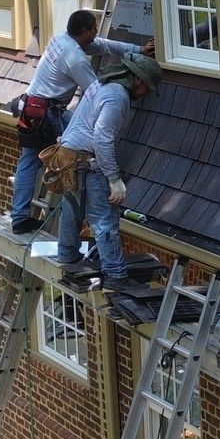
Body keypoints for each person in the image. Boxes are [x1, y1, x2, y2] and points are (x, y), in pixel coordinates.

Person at [8, 10, 154, 234]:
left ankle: (19, 217)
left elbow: (102, 45)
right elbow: (97, 94)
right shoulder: (75, 59)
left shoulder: (61, 39)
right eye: (93, 29)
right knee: (79, 151)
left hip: (30, 106)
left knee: (28, 163)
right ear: (83, 31)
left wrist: (137, 50)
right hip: (48, 112)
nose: (96, 33)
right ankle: (90, 211)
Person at [52, 52, 162, 300]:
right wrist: (114, 179)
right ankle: (116, 276)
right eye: (147, 88)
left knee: (72, 209)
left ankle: (67, 255)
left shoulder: (99, 85)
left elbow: (80, 119)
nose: (144, 94)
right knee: (105, 222)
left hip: (68, 156)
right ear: (138, 81)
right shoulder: (117, 98)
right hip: (86, 161)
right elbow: (102, 138)